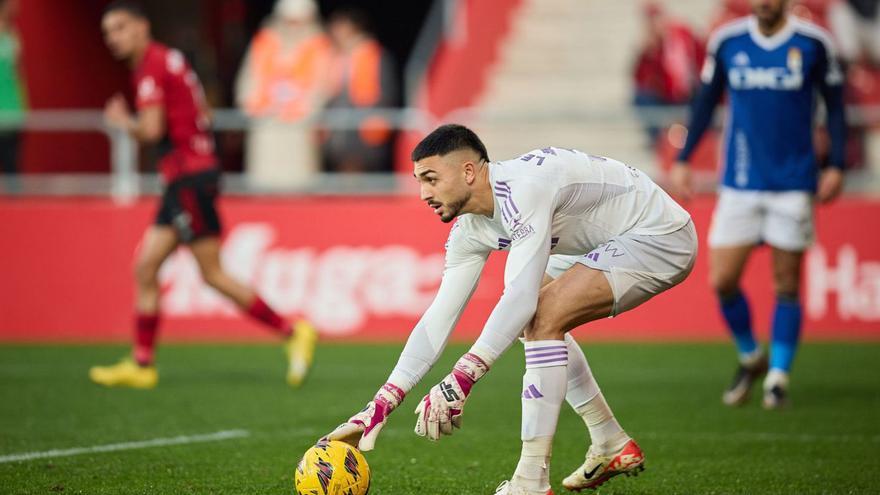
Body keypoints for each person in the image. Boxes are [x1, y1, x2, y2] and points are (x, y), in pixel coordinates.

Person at [324, 124, 697, 494]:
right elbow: (439, 316)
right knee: (530, 321)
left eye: (431, 179)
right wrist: (380, 404)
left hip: (659, 235)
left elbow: (520, 298)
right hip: (603, 239)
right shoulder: (469, 230)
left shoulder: (523, 189)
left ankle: (531, 483)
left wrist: (460, 379)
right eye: (420, 181)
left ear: (469, 171)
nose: (423, 193)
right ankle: (609, 441)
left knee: (539, 317)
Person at [90, 0, 317, 389]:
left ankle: (292, 331)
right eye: (109, 32)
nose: (114, 38)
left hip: (187, 180)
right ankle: (142, 365)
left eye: (121, 28)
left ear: (143, 27)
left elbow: (150, 129)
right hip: (187, 178)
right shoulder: (170, 61)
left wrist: (121, 122)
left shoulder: (152, 66)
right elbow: (202, 114)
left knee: (212, 274)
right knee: (146, 268)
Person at [671, 0, 846, 409]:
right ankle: (752, 357)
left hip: (793, 183)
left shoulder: (814, 43)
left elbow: (836, 108)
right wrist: (683, 159)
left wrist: (835, 164)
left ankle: (778, 378)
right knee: (722, 281)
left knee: (786, 284)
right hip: (740, 182)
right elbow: (705, 102)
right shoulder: (728, 41)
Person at [235, 0, 331, 189]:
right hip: (266, 126)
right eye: (289, 21)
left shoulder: (319, 45)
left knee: (298, 183)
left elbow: (323, 85)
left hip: (299, 128)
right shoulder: (264, 42)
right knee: (264, 181)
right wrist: (256, 107)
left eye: (298, 21)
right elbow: (248, 81)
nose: (293, 27)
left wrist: (305, 107)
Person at [321, 7, 397, 173]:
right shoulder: (331, 56)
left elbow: (386, 92)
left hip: (364, 129)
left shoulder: (375, 55)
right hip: (337, 129)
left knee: (359, 174)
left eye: (340, 27)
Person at [632, 1, 704, 147]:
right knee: (642, 98)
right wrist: (647, 54)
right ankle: (659, 142)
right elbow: (640, 79)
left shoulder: (681, 36)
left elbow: (697, 64)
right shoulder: (653, 47)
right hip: (667, 95)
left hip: (688, 93)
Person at [0, 0, 25, 184]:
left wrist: (23, 106)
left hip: (13, 110)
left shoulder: (13, 34)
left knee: (11, 164)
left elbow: (18, 74)